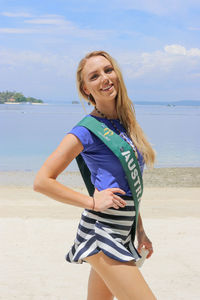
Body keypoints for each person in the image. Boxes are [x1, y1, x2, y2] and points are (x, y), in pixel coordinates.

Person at [33, 50, 156, 300]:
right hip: (102, 234)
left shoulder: (124, 124)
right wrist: (91, 201)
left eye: (108, 71)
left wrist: (139, 230)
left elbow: (128, 185)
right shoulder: (85, 131)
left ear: (117, 75)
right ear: (86, 89)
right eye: (94, 76)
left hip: (123, 232)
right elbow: (42, 181)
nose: (104, 78)